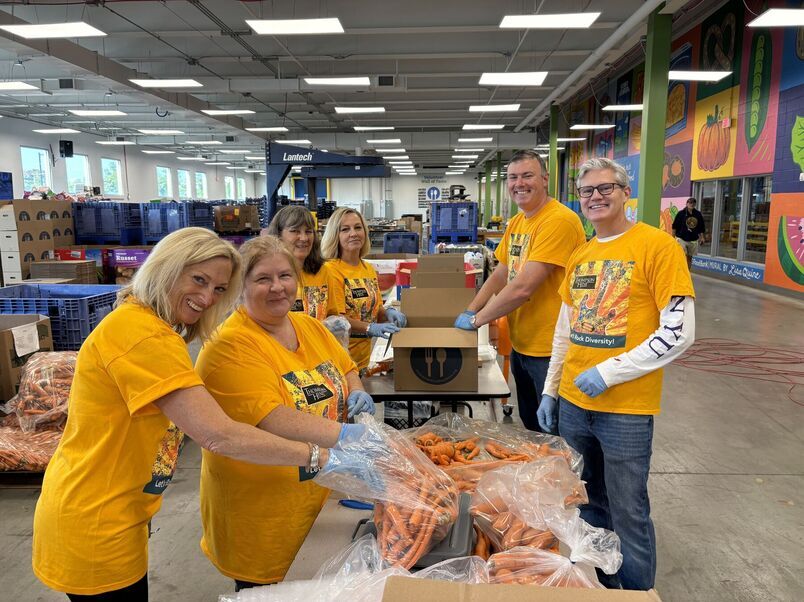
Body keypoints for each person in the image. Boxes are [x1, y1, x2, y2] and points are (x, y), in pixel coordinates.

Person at [31, 227, 380, 601]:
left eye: (216, 289)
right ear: (166, 267)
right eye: (198, 279)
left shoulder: (151, 327)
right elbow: (220, 434)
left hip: (123, 512)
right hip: (97, 519)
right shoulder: (143, 335)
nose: (205, 297)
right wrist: (324, 455)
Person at [537, 158, 696, 591]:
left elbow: (679, 332)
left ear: (626, 193)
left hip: (625, 410)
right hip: (573, 405)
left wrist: (608, 373)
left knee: (628, 510)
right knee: (587, 505)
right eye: (587, 191)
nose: (596, 196)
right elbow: (564, 332)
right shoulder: (582, 254)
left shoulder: (658, 247)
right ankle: (602, 589)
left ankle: (638, 592)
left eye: (606, 187)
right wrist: (551, 391)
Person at [195, 235, 375, 590]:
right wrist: (345, 437)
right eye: (262, 279)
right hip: (263, 516)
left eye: (285, 276)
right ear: (239, 287)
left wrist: (357, 390)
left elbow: (345, 365)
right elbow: (270, 417)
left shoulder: (306, 325)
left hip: (321, 497)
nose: (277, 287)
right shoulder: (228, 346)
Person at [454, 150, 585, 432]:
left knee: (557, 433)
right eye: (513, 177)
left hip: (551, 349)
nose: (519, 183)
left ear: (545, 178)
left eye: (528, 175)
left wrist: (477, 321)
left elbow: (523, 287)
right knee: (532, 425)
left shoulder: (558, 220)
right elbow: (502, 272)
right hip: (522, 344)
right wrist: (471, 308)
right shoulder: (518, 221)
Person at [322, 207, 406, 372]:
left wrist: (388, 313)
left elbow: (375, 309)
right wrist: (370, 328)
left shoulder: (367, 268)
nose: (353, 233)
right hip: (341, 361)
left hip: (363, 359)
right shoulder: (331, 271)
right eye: (345, 229)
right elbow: (336, 320)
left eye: (358, 227)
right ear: (335, 236)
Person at [265, 205, 340, 320]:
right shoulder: (267, 276)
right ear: (278, 235)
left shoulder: (323, 272)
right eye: (295, 231)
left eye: (308, 231)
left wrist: (336, 326)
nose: (304, 238)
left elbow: (332, 314)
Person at [672, 197, 705, 269]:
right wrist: (672, 238)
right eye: (690, 202)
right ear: (686, 204)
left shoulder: (698, 214)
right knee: (683, 256)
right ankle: (681, 272)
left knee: (690, 257)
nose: (691, 204)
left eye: (693, 203)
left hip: (693, 239)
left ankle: (688, 273)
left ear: (695, 204)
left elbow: (701, 227)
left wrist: (702, 237)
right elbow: (674, 226)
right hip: (681, 238)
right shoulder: (681, 214)